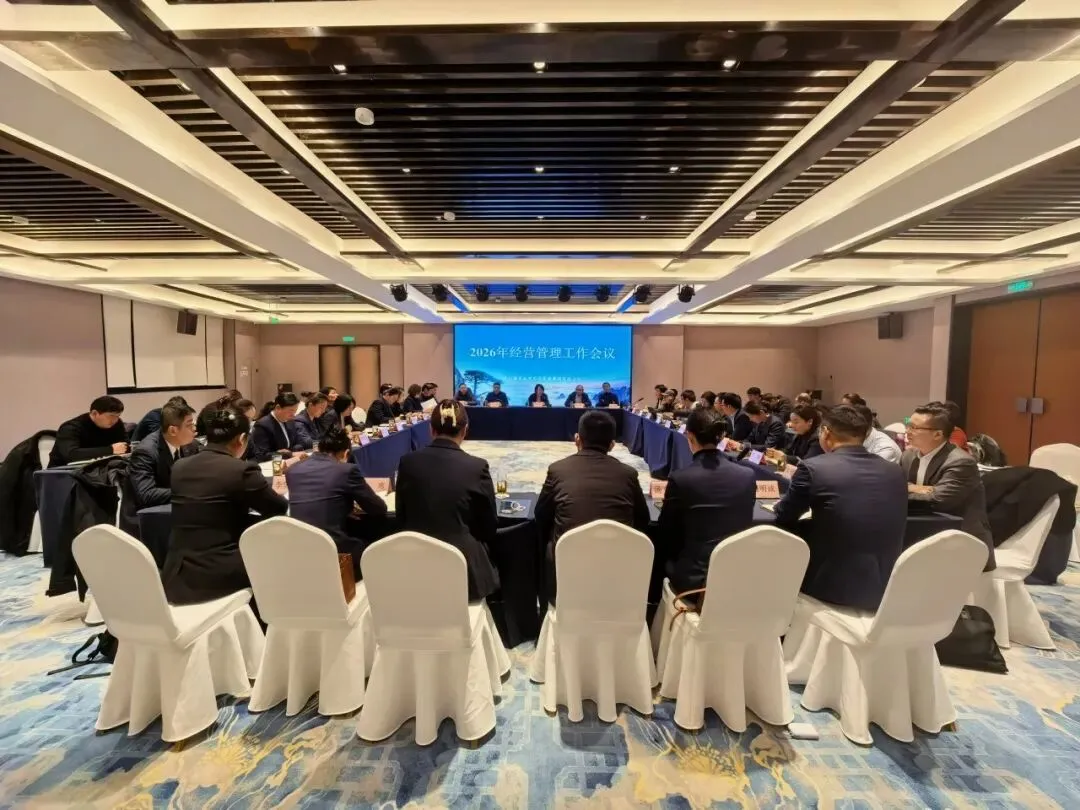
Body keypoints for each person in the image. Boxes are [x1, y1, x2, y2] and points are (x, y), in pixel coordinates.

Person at [774, 405, 908, 611]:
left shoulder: (813, 467)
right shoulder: (895, 470)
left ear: (825, 432)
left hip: (829, 585)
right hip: (885, 585)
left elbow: (785, 514)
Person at [163, 409, 289, 606]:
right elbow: (278, 508)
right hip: (220, 576)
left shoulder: (180, 467)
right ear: (242, 439)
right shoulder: (241, 470)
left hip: (176, 575)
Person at [535, 410, 651, 602]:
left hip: (566, 580)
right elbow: (643, 520)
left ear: (577, 439)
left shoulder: (558, 470)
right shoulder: (628, 474)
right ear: (612, 445)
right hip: (618, 579)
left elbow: (541, 516)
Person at [395, 400, 499, 601]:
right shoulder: (476, 467)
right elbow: (488, 526)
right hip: (464, 572)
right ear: (465, 430)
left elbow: (402, 516)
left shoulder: (407, 462)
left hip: (415, 567)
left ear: (431, 429)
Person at [656, 408, 756, 596]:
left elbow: (666, 531)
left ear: (689, 436)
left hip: (697, 580)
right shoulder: (748, 475)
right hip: (738, 574)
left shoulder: (682, 478)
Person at [285, 425, 389, 576]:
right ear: (346, 453)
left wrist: (344, 506)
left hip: (299, 547)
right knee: (378, 548)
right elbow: (378, 508)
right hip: (334, 549)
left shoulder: (293, 470)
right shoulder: (346, 470)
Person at [902, 404, 994, 569]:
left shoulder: (961, 462)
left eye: (915, 428)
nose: (907, 431)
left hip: (961, 542)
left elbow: (939, 500)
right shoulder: (908, 456)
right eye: (908, 425)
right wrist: (909, 488)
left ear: (937, 434)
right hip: (922, 533)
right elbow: (898, 484)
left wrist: (902, 490)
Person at [120, 401, 198, 538]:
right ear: (173, 430)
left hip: (174, 513)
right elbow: (147, 494)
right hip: (145, 522)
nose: (194, 429)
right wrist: (186, 491)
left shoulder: (190, 445)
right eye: (189, 425)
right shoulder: (146, 452)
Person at [49, 396, 128, 468]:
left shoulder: (117, 424)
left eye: (118, 416)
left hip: (99, 470)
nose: (115, 420)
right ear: (94, 413)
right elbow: (71, 455)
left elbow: (126, 446)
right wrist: (110, 450)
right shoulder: (70, 428)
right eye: (111, 416)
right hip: (63, 472)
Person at [249, 392, 306, 461]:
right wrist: (289, 454)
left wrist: (292, 451)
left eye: (295, 411)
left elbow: (298, 442)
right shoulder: (262, 425)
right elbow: (262, 455)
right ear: (278, 408)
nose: (293, 415)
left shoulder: (290, 421)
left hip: (291, 461)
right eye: (291, 410)